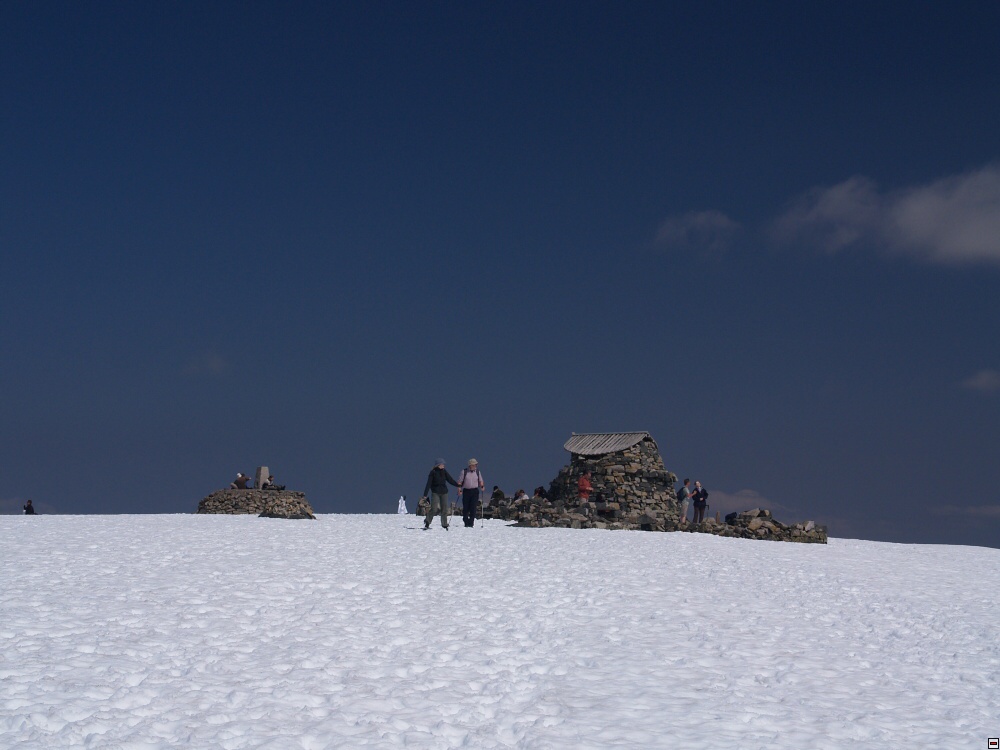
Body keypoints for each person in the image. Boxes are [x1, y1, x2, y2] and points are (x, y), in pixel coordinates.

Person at [423, 459, 459, 530]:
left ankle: (444, 524)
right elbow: (428, 483)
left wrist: (458, 485)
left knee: (444, 509)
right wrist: (425, 494)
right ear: (438, 465)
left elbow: (450, 479)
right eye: (442, 464)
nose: (444, 465)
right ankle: (427, 521)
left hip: (444, 492)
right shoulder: (433, 472)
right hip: (435, 492)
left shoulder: (444, 471)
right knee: (434, 508)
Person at [458, 458, 485, 527]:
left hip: (475, 491)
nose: (475, 466)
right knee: (466, 507)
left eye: (476, 464)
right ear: (470, 465)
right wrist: (459, 489)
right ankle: (466, 521)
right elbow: (460, 482)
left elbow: (480, 480)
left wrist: (482, 486)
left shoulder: (478, 472)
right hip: (466, 491)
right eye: (474, 465)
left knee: (473, 507)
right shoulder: (464, 472)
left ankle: (471, 522)